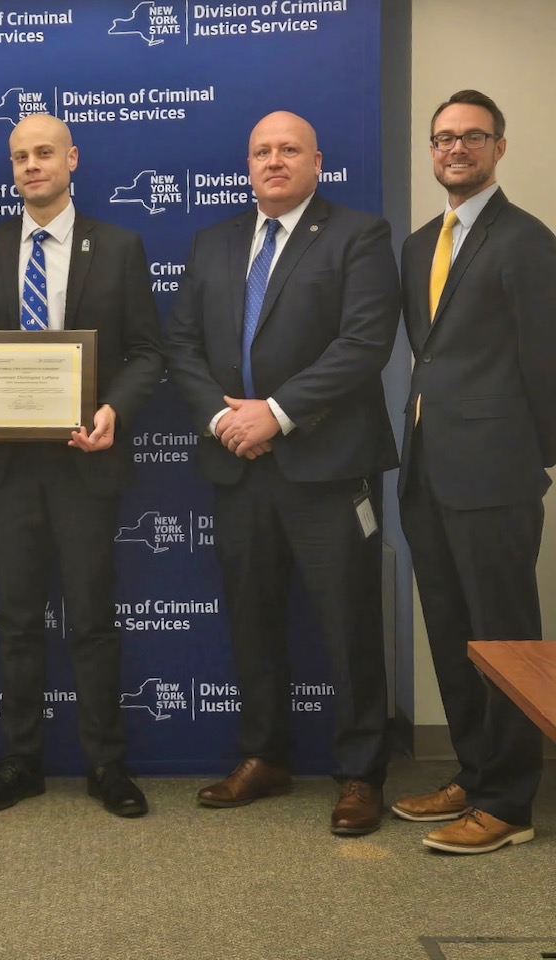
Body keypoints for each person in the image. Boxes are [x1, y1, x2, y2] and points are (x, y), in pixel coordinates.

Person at [164, 111, 400, 836]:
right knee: (252, 619)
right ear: (248, 164)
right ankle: (263, 755)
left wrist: (276, 413)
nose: (274, 161)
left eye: (288, 149)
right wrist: (226, 421)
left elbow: (364, 344)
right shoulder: (215, 241)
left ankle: (360, 772)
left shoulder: (359, 236)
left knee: (348, 624)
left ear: (317, 161)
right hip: (238, 466)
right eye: (261, 151)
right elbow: (181, 345)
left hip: (327, 466)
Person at [0, 113, 164, 817]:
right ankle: (20, 760)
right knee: (15, 619)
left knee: (93, 618)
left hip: (85, 462)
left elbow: (147, 353)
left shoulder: (121, 246)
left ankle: (106, 763)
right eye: (20, 156)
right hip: (7, 466)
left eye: (43, 153)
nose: (31, 165)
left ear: (72, 158)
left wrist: (116, 411)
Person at [393, 90, 556, 854]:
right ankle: (473, 770)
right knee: (454, 635)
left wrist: (536, 460)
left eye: (471, 137)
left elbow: (545, 361)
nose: (454, 149)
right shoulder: (422, 241)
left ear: (498, 147)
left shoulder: (527, 241)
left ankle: (510, 803)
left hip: (496, 477)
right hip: (427, 472)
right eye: (442, 138)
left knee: (504, 638)